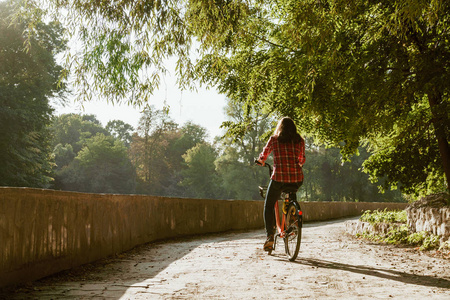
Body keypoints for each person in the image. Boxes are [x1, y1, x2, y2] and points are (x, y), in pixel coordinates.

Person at [257, 117, 305, 251]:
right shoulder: (299, 141)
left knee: (269, 205)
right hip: (296, 178)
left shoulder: (274, 139)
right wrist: (298, 162)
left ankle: (270, 237)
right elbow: (302, 159)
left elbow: (264, 155)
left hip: (279, 178)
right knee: (292, 191)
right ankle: (293, 218)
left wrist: (261, 161)